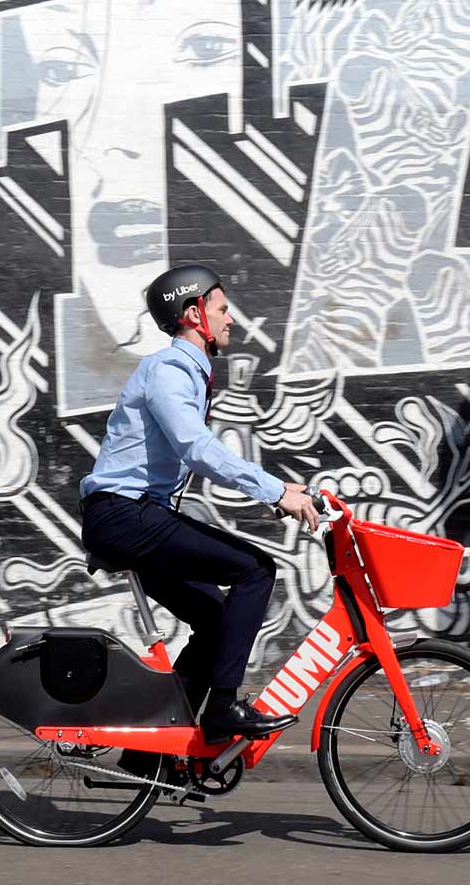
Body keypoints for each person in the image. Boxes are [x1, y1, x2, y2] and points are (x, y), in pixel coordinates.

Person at [79, 263, 322, 746]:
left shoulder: (185, 372)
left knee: (215, 621)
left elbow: (198, 454)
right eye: (222, 309)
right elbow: (196, 447)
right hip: (125, 516)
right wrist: (276, 492)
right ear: (194, 314)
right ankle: (225, 707)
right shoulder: (168, 369)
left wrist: (276, 494)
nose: (231, 319)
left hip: (138, 518)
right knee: (255, 569)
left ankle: (153, 752)